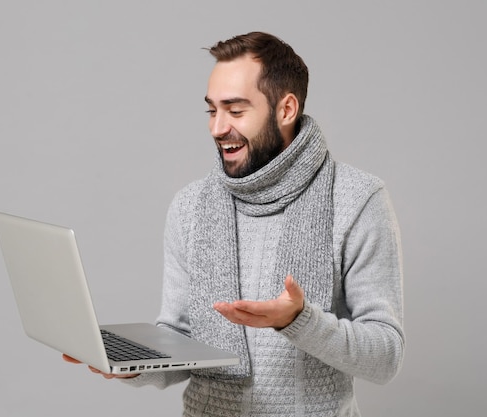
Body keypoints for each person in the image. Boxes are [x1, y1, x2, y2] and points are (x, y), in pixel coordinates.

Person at [64, 31, 405, 416]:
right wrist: (129, 364)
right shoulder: (191, 206)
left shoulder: (357, 199)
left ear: (286, 109)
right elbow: (181, 339)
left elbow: (385, 357)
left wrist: (299, 320)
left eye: (235, 110)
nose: (217, 128)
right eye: (212, 110)